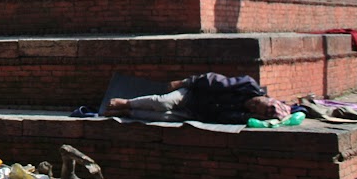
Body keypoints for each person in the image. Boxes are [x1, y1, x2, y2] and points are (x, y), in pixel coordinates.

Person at [105, 73, 291, 124]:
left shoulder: (241, 114)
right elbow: (213, 80)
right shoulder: (248, 86)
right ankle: (127, 102)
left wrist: (247, 117)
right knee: (163, 102)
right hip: (192, 94)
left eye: (255, 108)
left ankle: (128, 111)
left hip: (195, 113)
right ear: (264, 97)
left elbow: (223, 118)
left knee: (162, 117)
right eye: (258, 102)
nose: (253, 104)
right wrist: (184, 82)